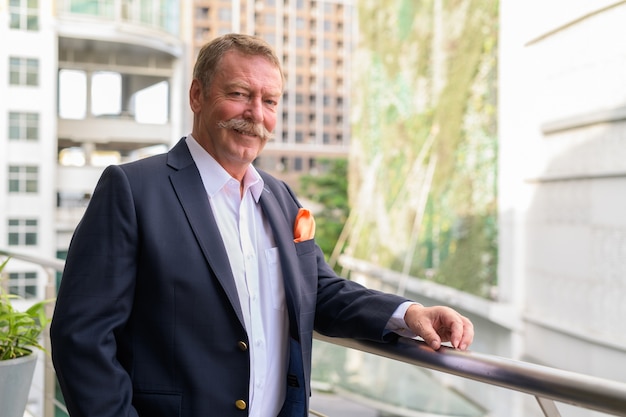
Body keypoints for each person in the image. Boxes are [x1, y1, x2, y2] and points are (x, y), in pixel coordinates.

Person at [50, 33, 474, 417]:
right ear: (197, 95)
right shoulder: (131, 189)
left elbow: (319, 290)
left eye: (269, 101)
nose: (256, 114)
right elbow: (81, 339)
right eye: (238, 94)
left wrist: (408, 313)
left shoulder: (279, 197)